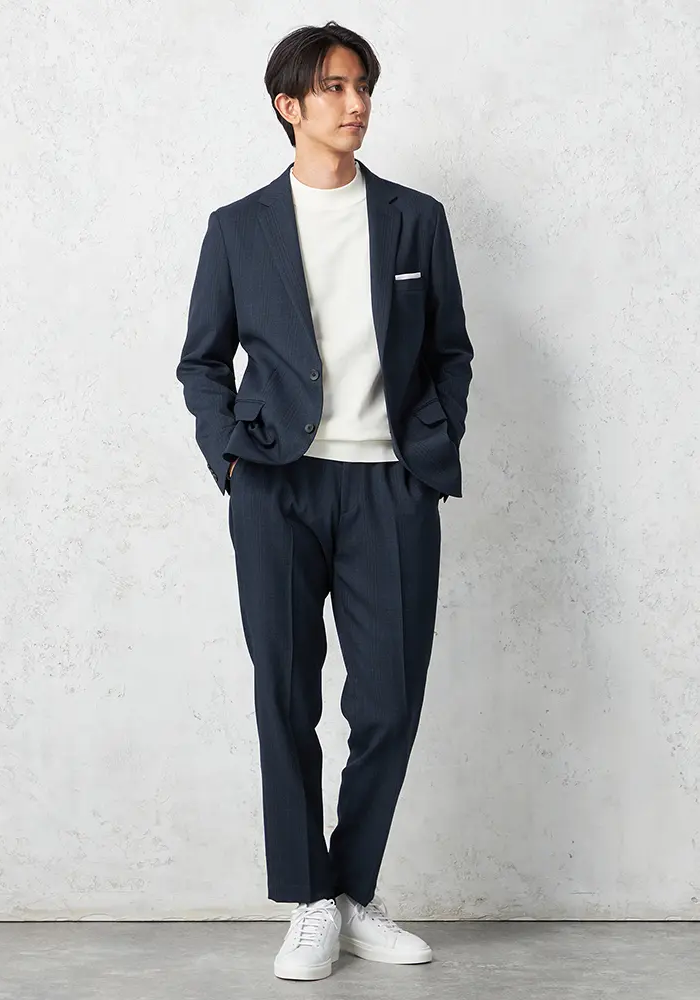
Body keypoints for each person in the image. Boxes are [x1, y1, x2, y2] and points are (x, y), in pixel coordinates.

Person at [176, 20, 473, 982]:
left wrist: (433, 442)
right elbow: (202, 361)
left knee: (388, 700)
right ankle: (309, 900)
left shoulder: (416, 219)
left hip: (391, 484)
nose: (357, 104)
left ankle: (354, 892)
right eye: (336, 87)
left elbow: (452, 350)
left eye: (364, 86)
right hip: (278, 484)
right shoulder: (238, 228)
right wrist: (230, 458)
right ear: (289, 105)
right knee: (285, 694)